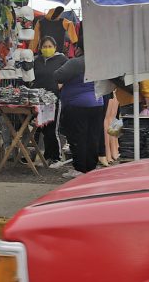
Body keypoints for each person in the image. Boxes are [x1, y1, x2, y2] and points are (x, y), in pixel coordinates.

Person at [54, 39, 104, 177]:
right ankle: (91, 167)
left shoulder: (76, 62)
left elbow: (58, 76)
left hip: (77, 105)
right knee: (93, 137)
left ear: (80, 49)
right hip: (97, 103)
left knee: (78, 137)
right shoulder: (99, 62)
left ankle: (80, 169)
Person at [26, 36, 67, 164]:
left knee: (51, 129)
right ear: (40, 48)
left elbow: (68, 75)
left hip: (53, 100)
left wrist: (61, 85)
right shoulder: (36, 60)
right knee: (36, 129)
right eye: (44, 46)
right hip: (37, 100)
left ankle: (54, 157)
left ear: (55, 47)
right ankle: (29, 155)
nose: (47, 49)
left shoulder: (62, 59)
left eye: (50, 46)